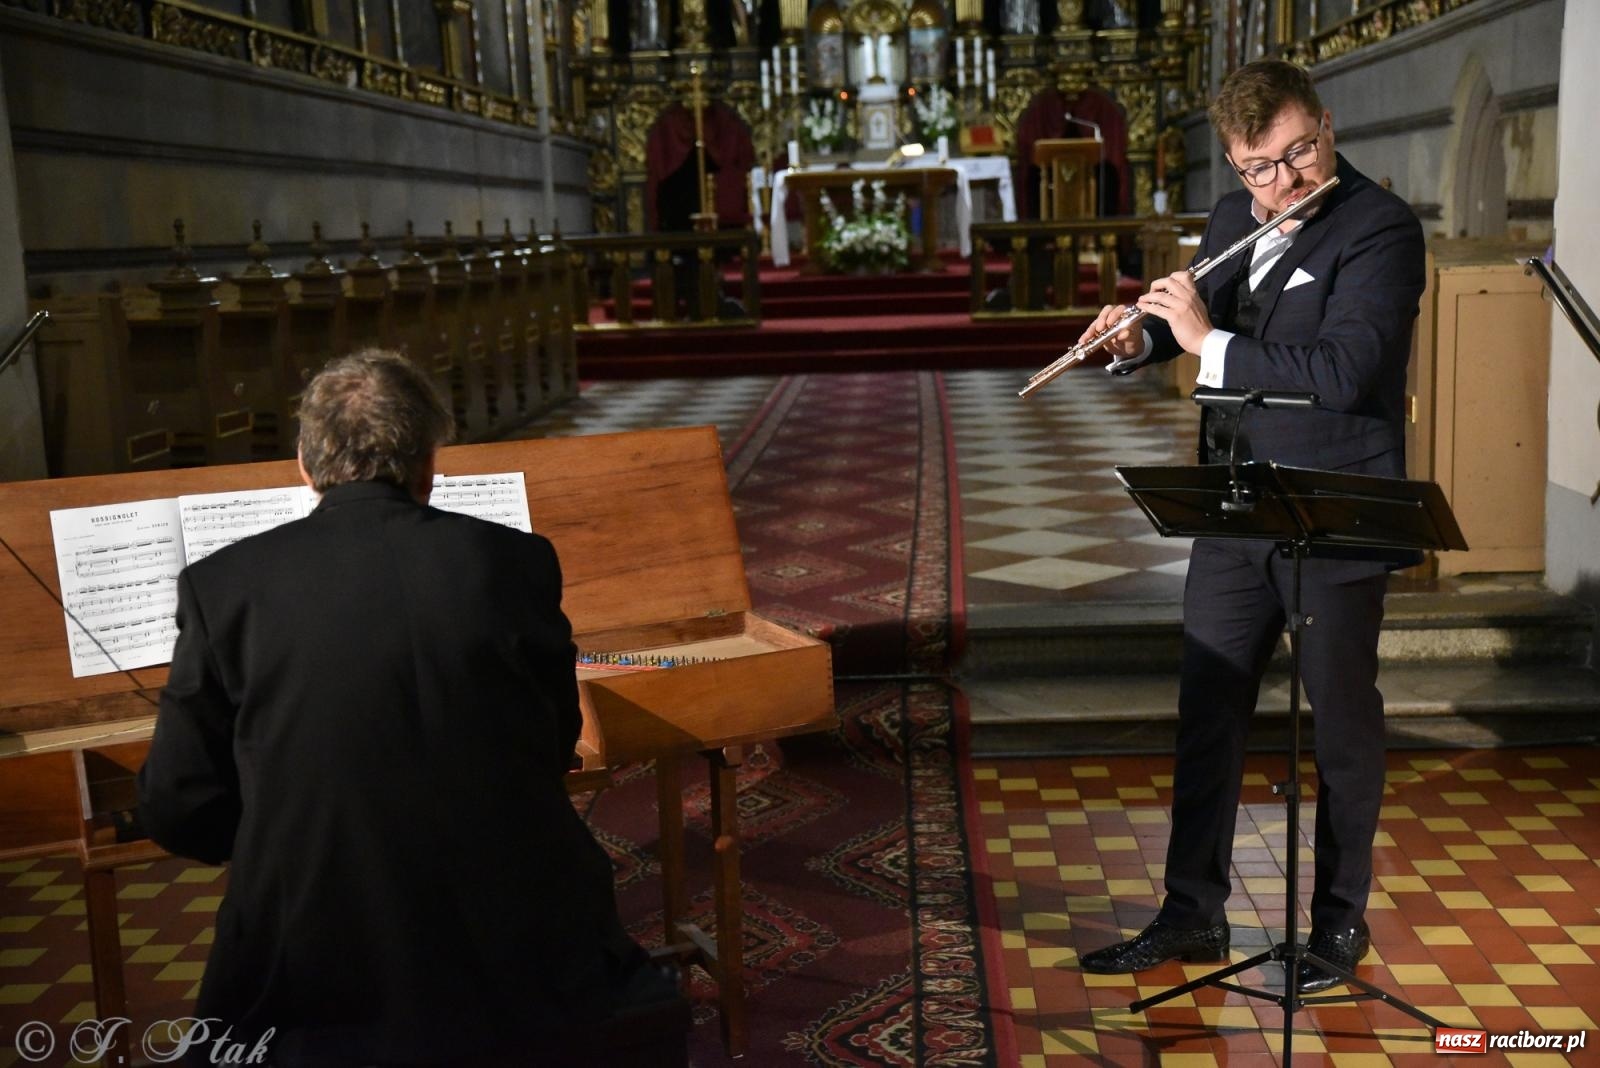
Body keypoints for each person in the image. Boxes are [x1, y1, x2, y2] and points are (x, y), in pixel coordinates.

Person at [138, 350, 673, 1064]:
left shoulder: (224, 586)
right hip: (523, 945)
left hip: (315, 957)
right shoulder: (515, 561)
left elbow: (180, 806)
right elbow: (553, 743)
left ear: (305, 463)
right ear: (429, 464)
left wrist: (288, 825)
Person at [1073, 59, 1425, 994]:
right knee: (1208, 712)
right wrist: (1136, 340)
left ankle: (1338, 927)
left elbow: (1343, 370)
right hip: (1233, 508)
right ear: (1234, 167)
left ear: (1326, 125)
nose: (1285, 183)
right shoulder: (1236, 218)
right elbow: (1202, 314)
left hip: (1333, 510)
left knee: (1343, 730)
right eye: (1259, 168)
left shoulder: (1381, 228)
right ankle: (1191, 912)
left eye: (1299, 153)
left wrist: (1203, 343)